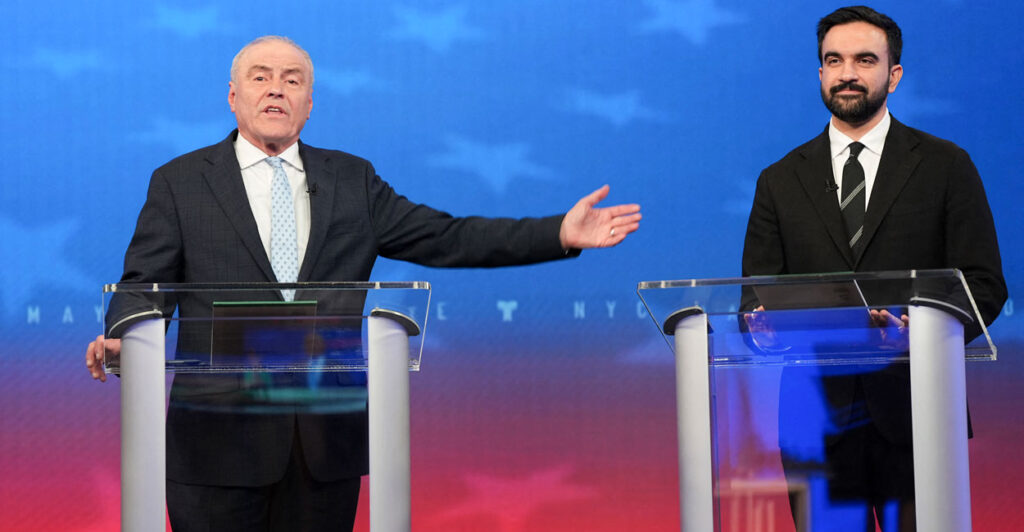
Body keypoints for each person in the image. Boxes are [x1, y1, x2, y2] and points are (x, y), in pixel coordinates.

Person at [84, 35, 641, 531]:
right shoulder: (181, 181)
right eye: (260, 77)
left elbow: (446, 237)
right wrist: (126, 335)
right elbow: (143, 284)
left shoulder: (351, 179)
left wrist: (557, 233)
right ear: (233, 96)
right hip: (216, 441)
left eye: (292, 80)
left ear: (309, 104)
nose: (276, 89)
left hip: (323, 443)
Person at [741, 6, 1006, 531]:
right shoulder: (780, 179)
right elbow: (756, 298)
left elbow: (984, 285)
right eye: (834, 60)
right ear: (820, 72)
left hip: (917, 411)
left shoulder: (946, 165)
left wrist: (918, 330)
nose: (847, 73)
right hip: (814, 422)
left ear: (894, 74)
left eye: (865, 60)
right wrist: (761, 328)